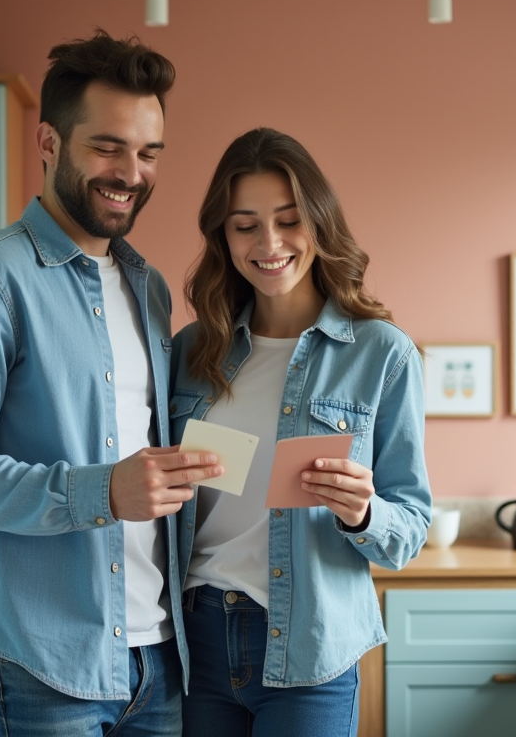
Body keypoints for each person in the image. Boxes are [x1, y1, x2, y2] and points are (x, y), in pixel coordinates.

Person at [0, 30, 223, 737]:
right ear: (49, 142)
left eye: (148, 152)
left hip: (159, 662)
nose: (131, 172)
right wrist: (102, 491)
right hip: (41, 666)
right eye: (107, 147)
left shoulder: (148, 290)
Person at [168, 127, 432, 736]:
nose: (269, 243)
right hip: (195, 640)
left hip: (309, 650)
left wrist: (363, 513)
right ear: (223, 236)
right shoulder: (191, 351)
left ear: (319, 223)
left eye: (289, 220)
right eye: (245, 224)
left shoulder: (381, 354)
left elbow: (409, 528)